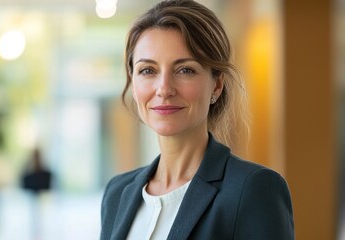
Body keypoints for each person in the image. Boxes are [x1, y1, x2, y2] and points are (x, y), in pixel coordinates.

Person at [100, 0, 294, 239]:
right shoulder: (117, 193)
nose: (164, 89)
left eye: (185, 70)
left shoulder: (253, 189)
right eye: (147, 70)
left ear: (217, 85)